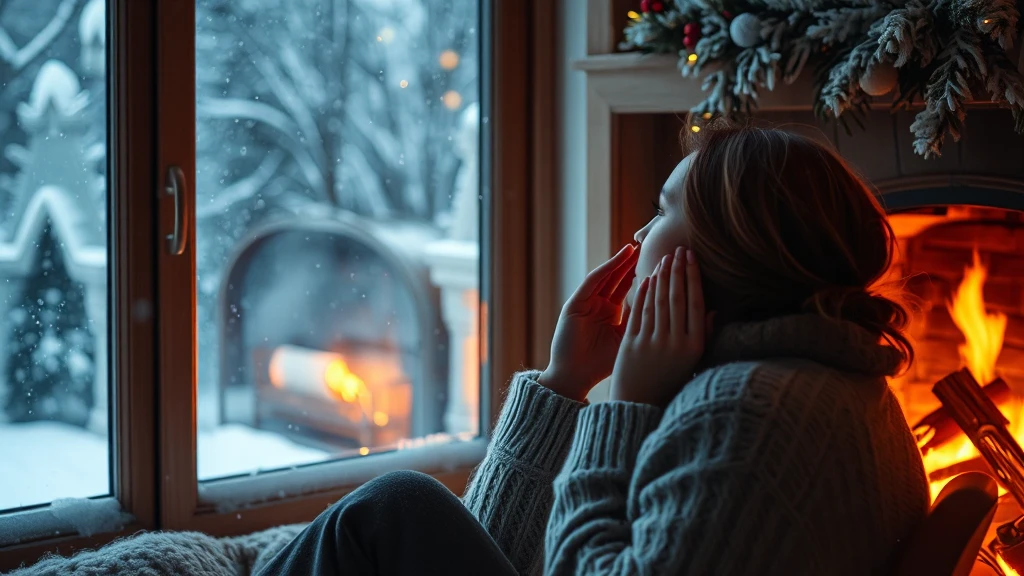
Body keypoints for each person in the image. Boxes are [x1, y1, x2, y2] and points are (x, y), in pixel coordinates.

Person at [255, 125, 930, 576]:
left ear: (729, 252)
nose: (639, 230)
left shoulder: (746, 413)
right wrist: (565, 383)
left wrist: (625, 407)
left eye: (664, 210)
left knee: (394, 508)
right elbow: (502, 552)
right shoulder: (828, 386)